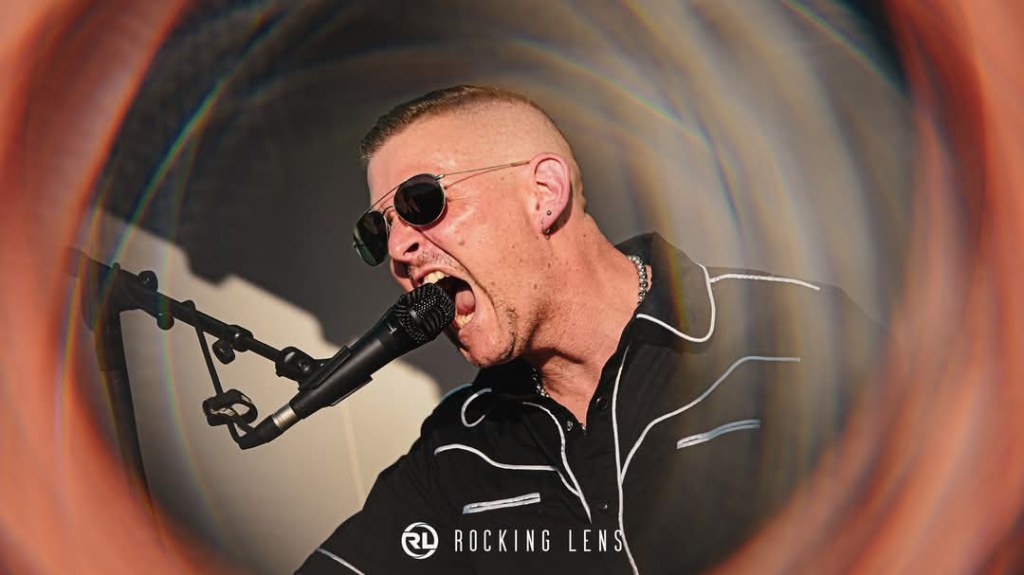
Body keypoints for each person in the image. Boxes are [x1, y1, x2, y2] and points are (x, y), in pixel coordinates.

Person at [298, 85, 883, 574]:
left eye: (421, 201)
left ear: (544, 195)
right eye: (378, 232)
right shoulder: (457, 447)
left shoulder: (789, 339)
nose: (399, 247)